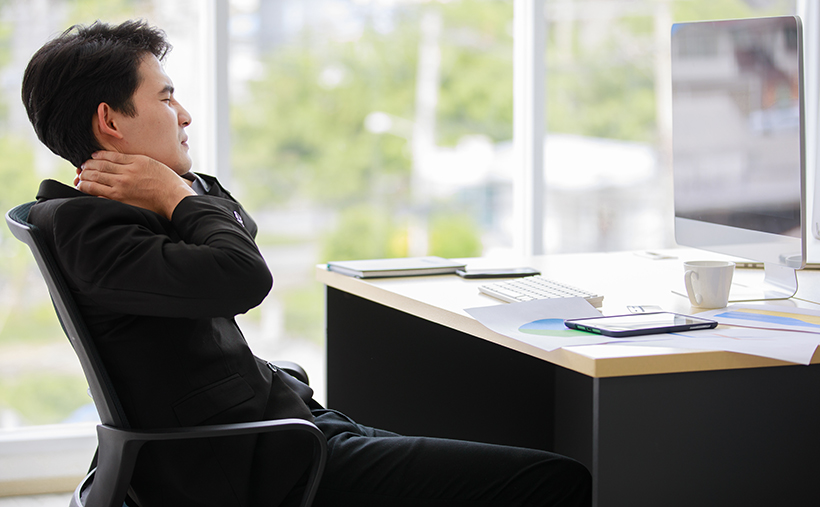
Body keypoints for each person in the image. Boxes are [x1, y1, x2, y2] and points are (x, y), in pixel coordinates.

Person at [21, 19, 592, 507]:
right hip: (262, 462)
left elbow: (235, 226)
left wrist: (176, 189)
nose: (185, 115)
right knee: (556, 481)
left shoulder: (105, 213)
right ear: (111, 122)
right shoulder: (92, 228)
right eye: (167, 98)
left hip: (275, 433)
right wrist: (178, 197)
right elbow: (243, 275)